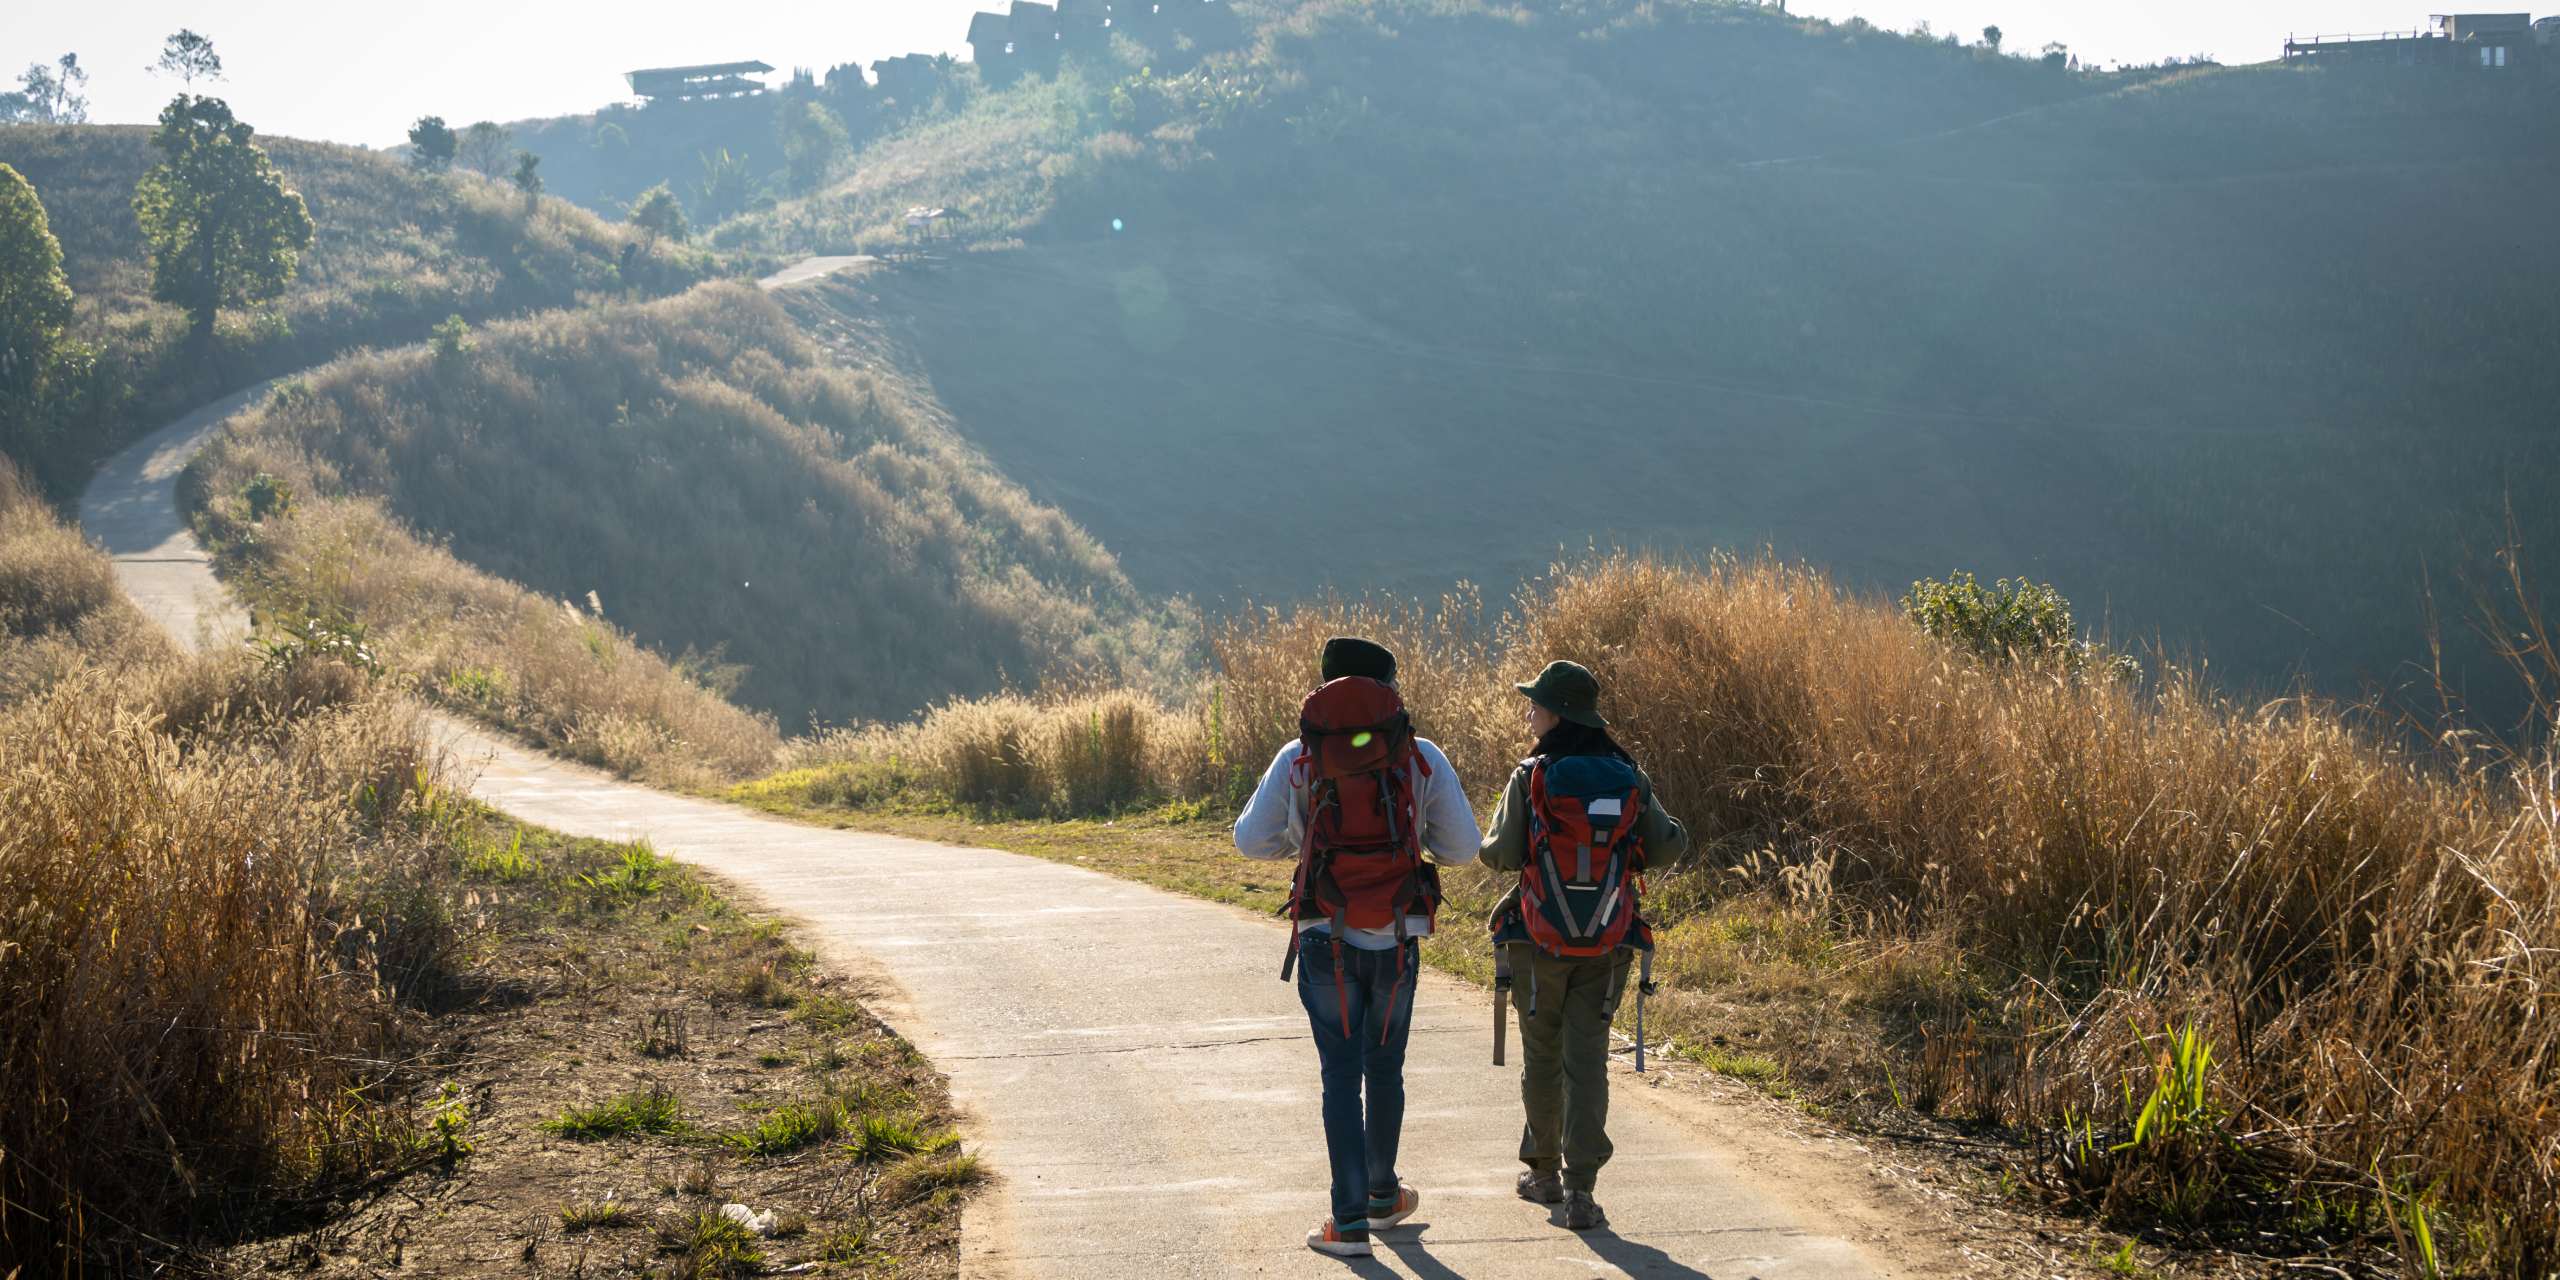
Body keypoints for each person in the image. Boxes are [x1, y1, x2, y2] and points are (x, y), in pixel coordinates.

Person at [1235, 636, 1482, 1258]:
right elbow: (1462, 849)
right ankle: (1381, 1195)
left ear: (1323, 688)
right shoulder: (1420, 757)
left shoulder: (1299, 757)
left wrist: (1305, 842)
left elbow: (1249, 840)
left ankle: (1347, 1224)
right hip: (1398, 937)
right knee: (1385, 1065)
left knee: (1339, 1076)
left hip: (1325, 936)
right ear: (1390, 692)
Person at [1481, 659, 1690, 1231]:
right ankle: (1581, 1194)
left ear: (1558, 713)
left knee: (1542, 1055)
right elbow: (1670, 846)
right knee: (1588, 1060)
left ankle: (1543, 1173)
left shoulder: (1532, 774)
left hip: (1537, 939)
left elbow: (1497, 853)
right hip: (1607, 941)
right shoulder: (1627, 773)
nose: (1529, 713)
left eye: (1536, 705)